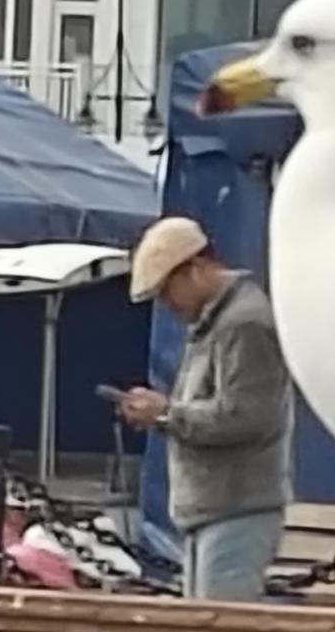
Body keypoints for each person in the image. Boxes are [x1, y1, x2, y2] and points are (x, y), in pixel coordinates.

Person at [119, 215, 293, 602]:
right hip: (214, 512)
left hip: (237, 511)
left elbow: (246, 416)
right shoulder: (215, 324)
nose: (167, 305)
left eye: (167, 291)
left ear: (195, 269)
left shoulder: (243, 324)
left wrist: (165, 413)